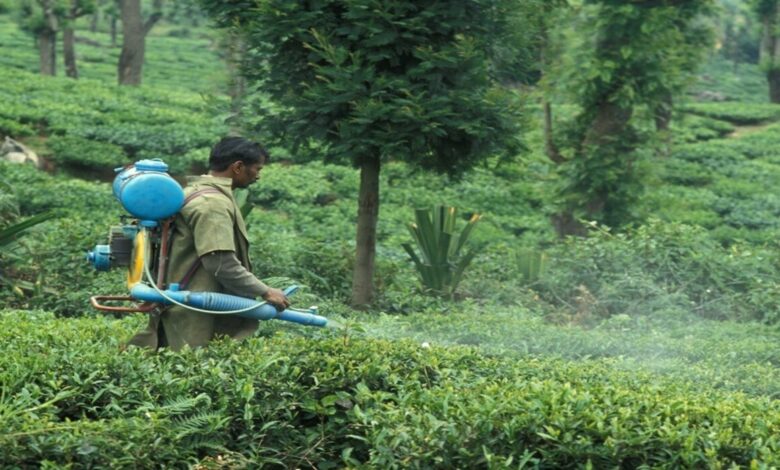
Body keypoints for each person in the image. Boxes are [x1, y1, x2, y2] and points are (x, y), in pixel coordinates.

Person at [128, 136, 290, 351]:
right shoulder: (212, 204)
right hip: (198, 311)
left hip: (181, 303)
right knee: (194, 364)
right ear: (238, 167)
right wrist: (265, 291)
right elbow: (221, 264)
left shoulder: (193, 191)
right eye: (257, 169)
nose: (258, 176)